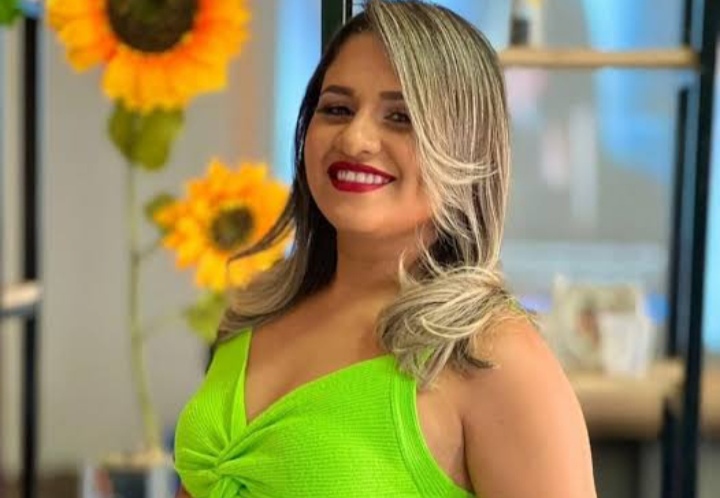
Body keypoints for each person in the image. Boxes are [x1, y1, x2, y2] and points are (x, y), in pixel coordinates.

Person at [174, 1, 597, 497]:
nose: (355, 139)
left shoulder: (495, 356)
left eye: (400, 117)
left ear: (468, 148)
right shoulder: (256, 312)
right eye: (337, 109)